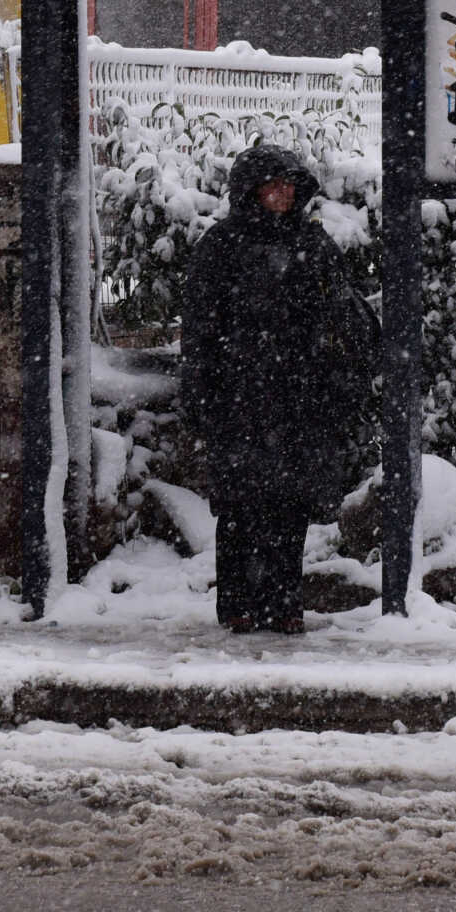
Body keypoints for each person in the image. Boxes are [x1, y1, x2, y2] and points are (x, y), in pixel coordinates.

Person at [179, 143, 377, 634]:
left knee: (289, 509)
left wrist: (337, 379)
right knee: (241, 509)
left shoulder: (311, 244)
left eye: (290, 184)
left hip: (298, 399)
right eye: (274, 184)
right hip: (240, 399)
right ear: (251, 190)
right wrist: (204, 395)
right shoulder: (221, 246)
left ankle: (285, 604)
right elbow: (201, 329)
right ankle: (239, 604)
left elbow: (340, 313)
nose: (283, 194)